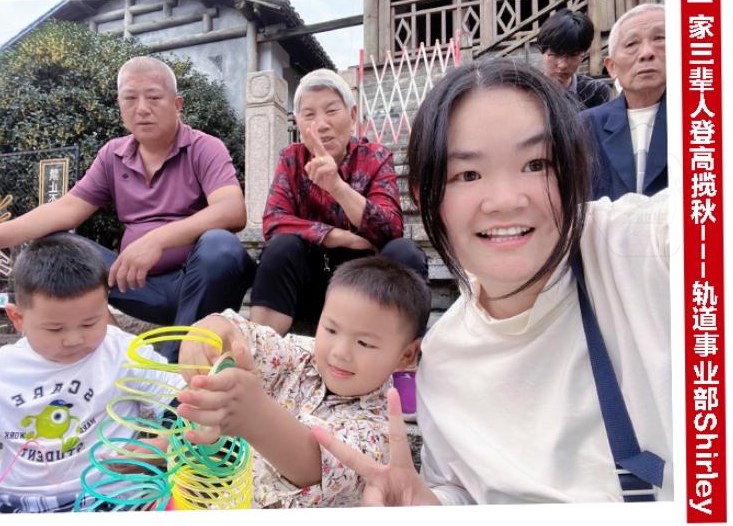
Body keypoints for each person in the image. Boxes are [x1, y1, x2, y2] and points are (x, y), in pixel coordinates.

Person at [310, 58, 672, 505]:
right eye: (468, 174)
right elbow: (461, 490)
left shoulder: (640, 249)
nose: (504, 201)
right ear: (426, 196)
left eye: (536, 164)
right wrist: (429, 506)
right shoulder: (443, 359)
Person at [0, 56, 255, 362]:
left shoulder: (204, 147)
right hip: (134, 285)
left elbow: (232, 210)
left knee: (220, 245)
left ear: (177, 104)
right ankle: (115, 354)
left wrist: (157, 240)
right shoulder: (113, 154)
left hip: (201, 285)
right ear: (120, 105)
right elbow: (68, 208)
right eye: (130, 98)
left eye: (154, 97)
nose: (142, 108)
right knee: (56, 243)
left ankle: (176, 363)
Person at [176, 256, 432, 508]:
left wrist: (254, 415)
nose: (340, 352)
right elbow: (250, 338)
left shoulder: (383, 429)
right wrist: (210, 332)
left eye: (364, 343)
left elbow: (313, 466)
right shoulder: (300, 356)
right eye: (331, 330)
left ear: (406, 355)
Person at [0, 234, 182, 513]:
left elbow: (181, 402)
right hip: (17, 501)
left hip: (112, 497)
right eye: (55, 328)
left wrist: (163, 446)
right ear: (18, 318)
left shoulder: (124, 352)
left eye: (91, 323)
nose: (74, 339)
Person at [251, 68, 428, 337]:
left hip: (364, 287)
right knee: (281, 246)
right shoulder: (292, 158)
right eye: (309, 115)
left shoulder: (375, 157)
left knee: (404, 252)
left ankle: (396, 349)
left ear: (352, 115)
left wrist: (337, 187)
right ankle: (261, 347)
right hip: (308, 284)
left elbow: (391, 229)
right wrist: (337, 236)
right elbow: (274, 221)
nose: (321, 124)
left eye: (332, 111)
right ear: (298, 123)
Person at [581, 4, 667, 200]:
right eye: (631, 44)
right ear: (612, 67)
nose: (646, 53)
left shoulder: (706, 122)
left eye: (660, 39)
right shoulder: (585, 126)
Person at [537, 8, 611, 109]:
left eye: (572, 55)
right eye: (555, 54)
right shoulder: (528, 91)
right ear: (542, 51)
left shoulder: (595, 92)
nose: (563, 65)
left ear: (583, 54)